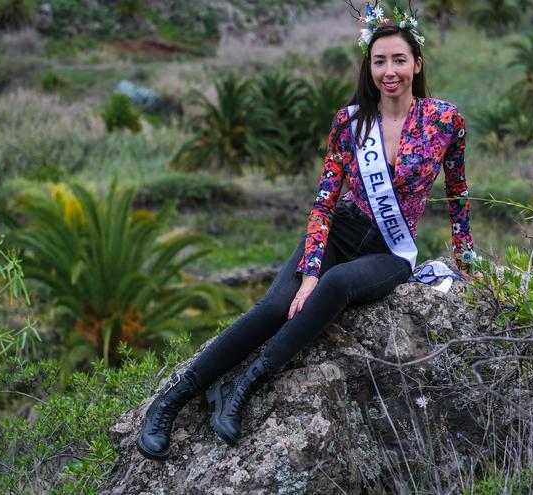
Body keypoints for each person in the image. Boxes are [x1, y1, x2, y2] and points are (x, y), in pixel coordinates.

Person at [136, 3, 477, 460]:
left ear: (417, 64)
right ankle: (173, 400)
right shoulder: (351, 122)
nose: (389, 71)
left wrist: (467, 259)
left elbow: (457, 193)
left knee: (337, 285)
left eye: (399, 60)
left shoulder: (444, 120)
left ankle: (243, 386)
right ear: (368, 66)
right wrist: (310, 270)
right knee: (279, 303)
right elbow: (323, 201)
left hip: (389, 251)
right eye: (379, 61)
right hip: (337, 233)